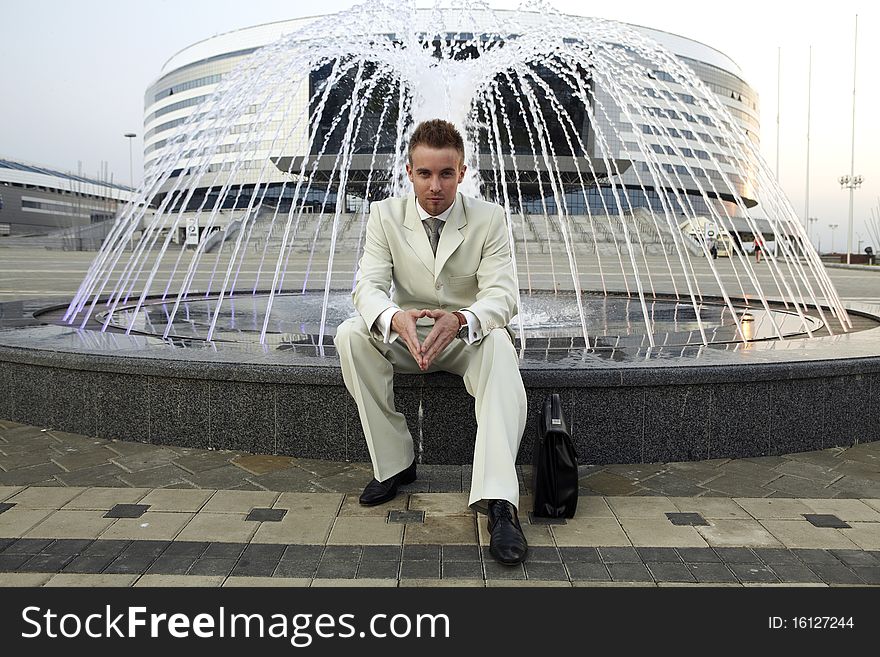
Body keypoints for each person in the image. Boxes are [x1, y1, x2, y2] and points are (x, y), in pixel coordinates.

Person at [334, 119, 529, 565]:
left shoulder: (490, 218)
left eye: (445, 174)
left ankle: (500, 500)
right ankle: (395, 463)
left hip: (465, 335)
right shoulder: (384, 215)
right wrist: (392, 317)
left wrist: (463, 317)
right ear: (409, 172)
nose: (435, 185)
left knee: (501, 347)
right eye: (425, 174)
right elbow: (367, 286)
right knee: (349, 334)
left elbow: (503, 295)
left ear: (462, 172)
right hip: (408, 333)